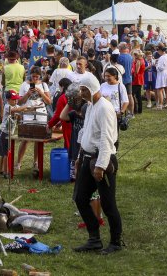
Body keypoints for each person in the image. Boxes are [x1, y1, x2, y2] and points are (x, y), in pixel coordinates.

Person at [72, 72, 123, 254]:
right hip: (87, 158)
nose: (81, 93)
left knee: (108, 204)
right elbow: (86, 133)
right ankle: (94, 238)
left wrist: (101, 166)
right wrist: (79, 157)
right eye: (81, 89)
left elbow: (106, 139)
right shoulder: (91, 105)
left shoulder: (104, 108)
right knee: (80, 198)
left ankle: (116, 242)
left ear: (92, 88)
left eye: (84, 89)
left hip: (102, 160)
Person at [16, 67, 51, 171]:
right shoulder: (25, 85)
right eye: (33, 76)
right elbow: (19, 102)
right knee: (25, 139)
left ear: (40, 76)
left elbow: (49, 102)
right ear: (30, 75)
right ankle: (18, 162)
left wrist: (41, 93)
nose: (35, 78)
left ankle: (36, 162)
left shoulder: (44, 85)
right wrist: (28, 94)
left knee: (39, 139)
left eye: (37, 77)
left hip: (41, 114)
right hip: (29, 113)